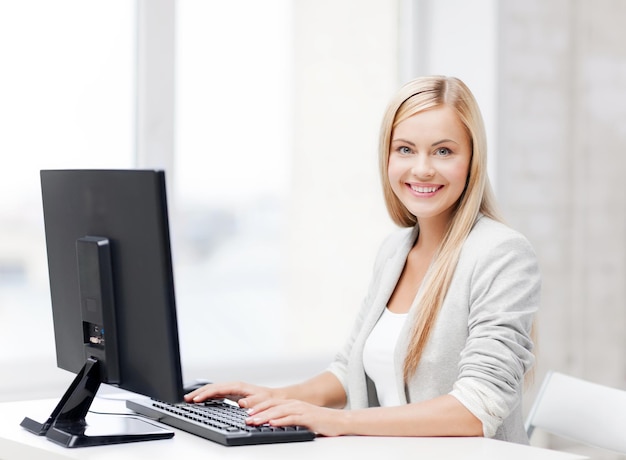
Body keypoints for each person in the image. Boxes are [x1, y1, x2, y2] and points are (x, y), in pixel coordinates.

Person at [185, 75, 541, 444]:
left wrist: (339, 421)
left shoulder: (501, 254)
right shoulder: (395, 251)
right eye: (405, 149)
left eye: (443, 151)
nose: (422, 168)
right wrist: (275, 397)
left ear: (472, 161)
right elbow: (348, 370)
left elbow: (477, 407)